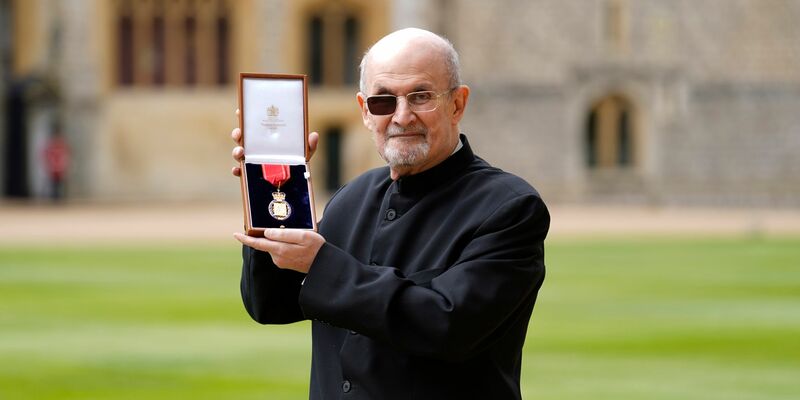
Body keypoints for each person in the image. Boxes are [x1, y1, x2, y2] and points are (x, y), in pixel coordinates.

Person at [231, 28, 549, 399]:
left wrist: (322, 265)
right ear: (365, 112)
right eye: (383, 101)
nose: (402, 116)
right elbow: (271, 304)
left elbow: (447, 326)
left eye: (421, 96)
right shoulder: (352, 197)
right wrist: (272, 193)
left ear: (458, 104)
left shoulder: (509, 207)